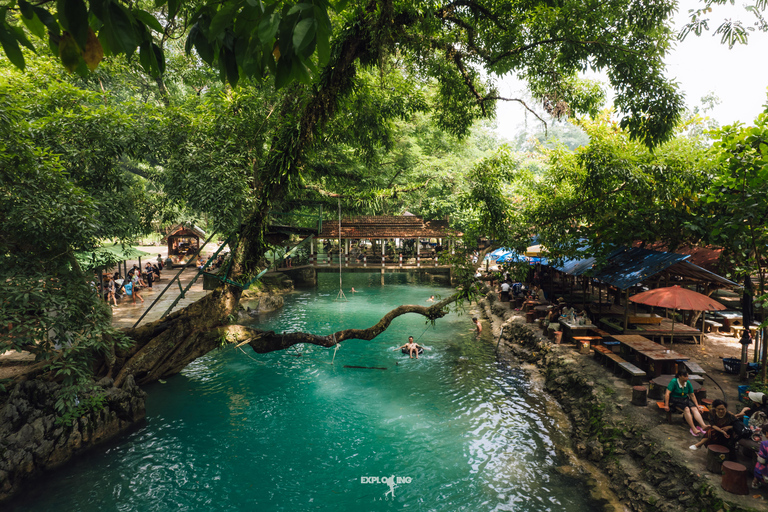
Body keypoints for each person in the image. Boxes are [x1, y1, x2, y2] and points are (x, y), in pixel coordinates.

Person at [664, 370, 708, 437]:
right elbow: (667, 393)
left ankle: (703, 425)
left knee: (694, 408)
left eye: (687, 376)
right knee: (686, 409)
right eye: (685, 376)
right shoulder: (674, 381)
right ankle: (693, 428)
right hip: (674, 399)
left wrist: (697, 406)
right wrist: (666, 405)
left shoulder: (688, 383)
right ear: (680, 376)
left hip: (684, 399)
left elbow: (692, 395)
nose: (687, 378)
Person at [752, 424, 768, 489]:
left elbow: (762, 460)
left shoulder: (764, 444)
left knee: (759, 464)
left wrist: (758, 455)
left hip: (765, 471)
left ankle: (755, 482)